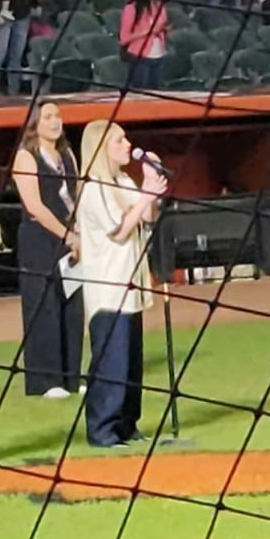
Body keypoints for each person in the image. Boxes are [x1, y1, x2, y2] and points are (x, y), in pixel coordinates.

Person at [77, 121, 166, 447]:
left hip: (130, 285)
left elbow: (147, 217)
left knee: (130, 363)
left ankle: (127, 424)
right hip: (108, 287)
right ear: (102, 148)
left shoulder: (123, 180)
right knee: (111, 362)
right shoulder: (93, 187)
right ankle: (102, 429)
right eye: (119, 140)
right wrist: (146, 196)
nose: (128, 144)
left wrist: (150, 187)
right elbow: (119, 229)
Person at [11, 101, 84, 398]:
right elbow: (35, 206)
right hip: (39, 239)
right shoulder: (26, 157)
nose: (55, 122)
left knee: (72, 304)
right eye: (48, 117)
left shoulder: (67, 154)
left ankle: (71, 377)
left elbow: (77, 195)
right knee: (43, 305)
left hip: (70, 238)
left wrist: (79, 231)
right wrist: (68, 235)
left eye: (58, 115)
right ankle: (45, 381)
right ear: (35, 124)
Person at [119, 0, 168, 89]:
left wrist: (164, 30)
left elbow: (162, 24)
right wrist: (148, 32)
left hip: (159, 55)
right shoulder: (131, 9)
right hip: (140, 57)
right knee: (141, 92)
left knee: (156, 93)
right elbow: (124, 38)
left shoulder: (160, 7)